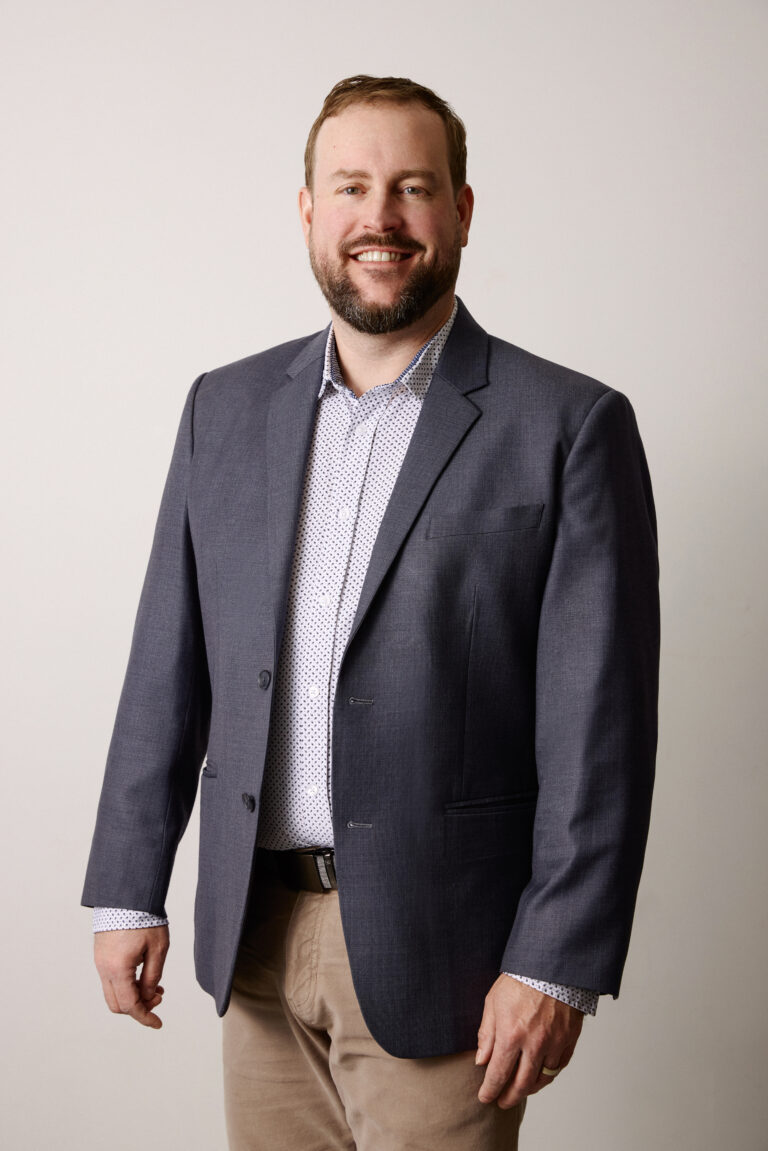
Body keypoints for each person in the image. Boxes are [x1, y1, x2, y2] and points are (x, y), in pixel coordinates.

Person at [82, 74, 660, 1150]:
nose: (379, 218)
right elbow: (168, 659)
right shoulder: (226, 405)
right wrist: (128, 887)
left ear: (462, 210)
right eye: (350, 186)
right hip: (250, 936)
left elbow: (603, 732)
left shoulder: (568, 426)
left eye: (412, 187)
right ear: (308, 208)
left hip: (450, 951)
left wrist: (554, 962)